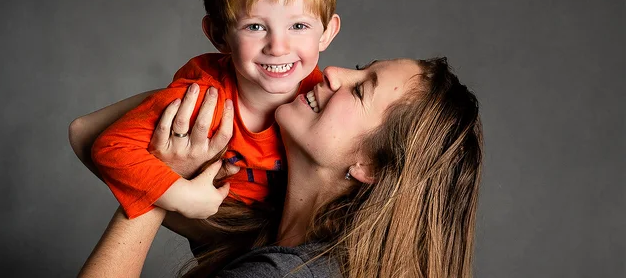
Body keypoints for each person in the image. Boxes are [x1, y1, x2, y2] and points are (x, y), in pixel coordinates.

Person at [74, 57, 484, 277]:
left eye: (360, 89)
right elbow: (87, 135)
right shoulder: (258, 223)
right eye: (360, 65)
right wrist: (212, 93)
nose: (333, 73)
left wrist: (160, 174)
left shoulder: (280, 275)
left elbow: (92, 139)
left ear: (370, 165)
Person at [87, 0, 341, 220]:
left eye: (298, 26)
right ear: (219, 35)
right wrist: (181, 196)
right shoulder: (203, 98)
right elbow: (111, 147)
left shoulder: (330, 98)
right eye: (255, 27)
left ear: (326, 33)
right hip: (223, 233)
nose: (278, 47)